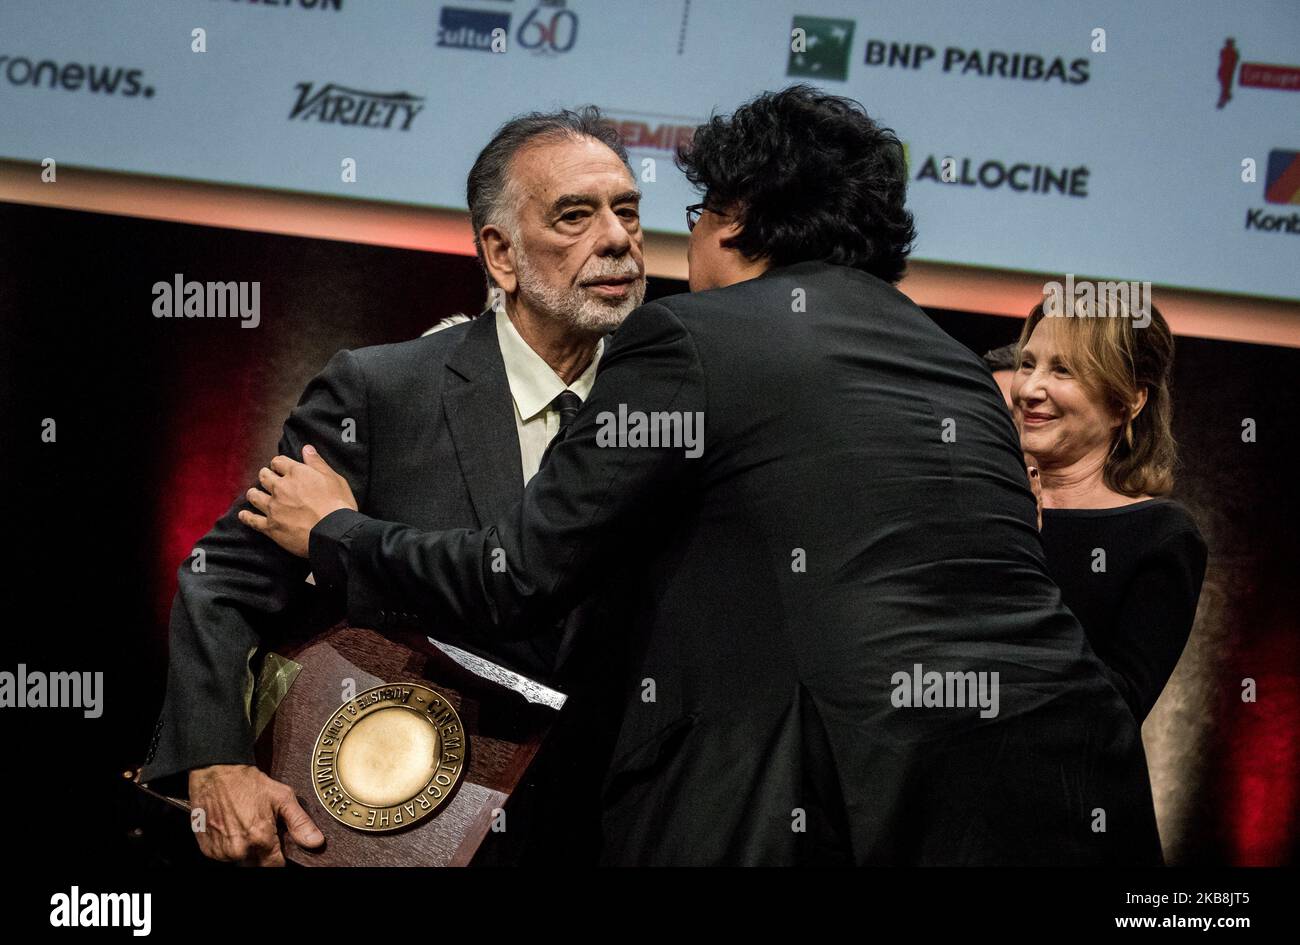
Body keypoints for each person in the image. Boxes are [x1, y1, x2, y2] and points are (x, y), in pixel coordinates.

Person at [242, 85, 1164, 865]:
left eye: (688, 217)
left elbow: (518, 575)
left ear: (737, 219)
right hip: (1066, 787)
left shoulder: (689, 338)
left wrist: (333, 531)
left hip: (830, 802)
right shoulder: (959, 366)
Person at [139, 106, 647, 865]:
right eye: (576, 215)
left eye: (628, 212)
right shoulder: (383, 390)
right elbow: (225, 583)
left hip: (613, 832)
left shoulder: (676, 399)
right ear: (501, 255)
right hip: (399, 824)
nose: (616, 239)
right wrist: (215, 763)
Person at [1012, 298, 1207, 722]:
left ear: (1127, 403)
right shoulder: (983, 500)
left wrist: (1022, 552)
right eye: (1028, 364)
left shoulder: (1161, 534)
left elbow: (1113, 710)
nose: (1028, 389)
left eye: (1062, 370)